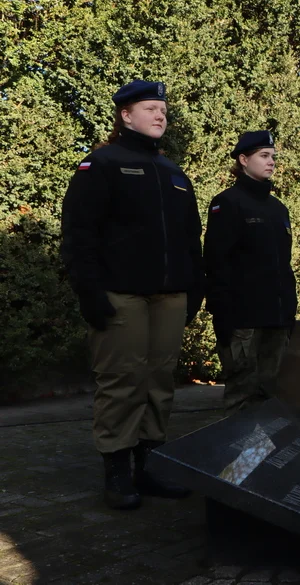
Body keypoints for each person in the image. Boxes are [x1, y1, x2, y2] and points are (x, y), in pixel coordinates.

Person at [61, 80, 202, 510]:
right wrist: (90, 291)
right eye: (150, 108)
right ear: (125, 115)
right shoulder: (101, 164)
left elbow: (190, 237)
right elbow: (79, 233)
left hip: (169, 296)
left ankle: (150, 465)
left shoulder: (174, 172)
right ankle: (117, 472)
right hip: (120, 294)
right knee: (123, 381)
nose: (161, 114)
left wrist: (194, 289)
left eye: (163, 108)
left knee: (160, 381)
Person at [204, 131, 297, 416]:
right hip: (244, 320)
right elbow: (216, 262)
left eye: (273, 157)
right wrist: (223, 318)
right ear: (243, 160)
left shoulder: (278, 209)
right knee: (241, 398)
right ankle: (236, 462)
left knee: (268, 398)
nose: (271, 162)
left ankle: (260, 460)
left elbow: (283, 264)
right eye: (264, 156)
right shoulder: (228, 203)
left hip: (276, 319)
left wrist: (289, 311)